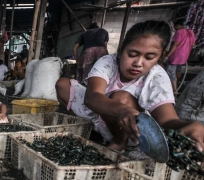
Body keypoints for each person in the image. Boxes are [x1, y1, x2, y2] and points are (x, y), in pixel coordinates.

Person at [55, 20, 204, 153]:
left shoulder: (157, 76)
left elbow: (167, 121)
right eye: (132, 54)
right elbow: (92, 97)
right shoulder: (108, 62)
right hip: (102, 114)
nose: (138, 63)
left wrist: (187, 126)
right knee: (62, 84)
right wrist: (121, 110)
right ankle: (88, 127)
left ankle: (120, 142)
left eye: (149, 57)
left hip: (132, 130)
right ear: (121, 50)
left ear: (160, 56)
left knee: (120, 97)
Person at [164, 17, 196, 93]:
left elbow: (176, 44)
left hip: (176, 56)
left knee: (170, 72)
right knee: (177, 71)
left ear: (178, 25)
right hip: (184, 56)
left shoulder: (179, 32)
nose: (174, 28)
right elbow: (193, 44)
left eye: (175, 26)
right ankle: (176, 84)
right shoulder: (191, 32)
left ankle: (175, 90)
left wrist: (168, 55)